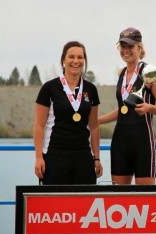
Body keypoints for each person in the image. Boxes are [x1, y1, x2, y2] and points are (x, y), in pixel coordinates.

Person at [99, 27, 156, 185]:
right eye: (122, 47)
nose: (126, 51)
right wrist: (97, 121)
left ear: (140, 47)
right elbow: (124, 110)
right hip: (120, 143)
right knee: (118, 199)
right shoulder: (121, 73)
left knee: (146, 199)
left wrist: (149, 108)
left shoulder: (151, 73)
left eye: (130, 46)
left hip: (143, 143)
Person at [33, 41, 103, 184]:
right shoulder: (49, 88)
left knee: (84, 205)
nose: (76, 61)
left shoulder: (91, 89)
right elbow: (39, 126)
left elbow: (94, 126)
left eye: (80, 57)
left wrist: (96, 158)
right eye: (71, 57)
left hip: (83, 156)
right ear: (63, 60)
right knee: (55, 206)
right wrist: (39, 157)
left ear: (84, 60)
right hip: (55, 156)